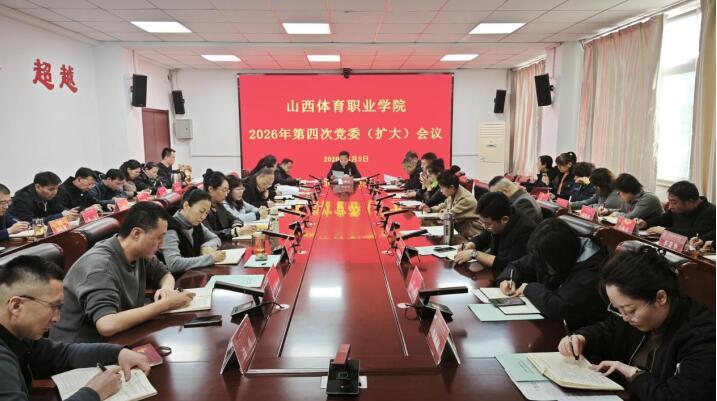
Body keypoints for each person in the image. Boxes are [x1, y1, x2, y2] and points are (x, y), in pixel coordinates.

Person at [557, 247, 715, 401]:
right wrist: (582, 338)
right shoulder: (635, 318)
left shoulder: (703, 337)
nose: (624, 317)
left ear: (660, 298)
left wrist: (632, 373)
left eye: (630, 310)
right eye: (618, 309)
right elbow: (607, 331)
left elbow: (676, 396)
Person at [0, 255, 153, 401]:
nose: (57, 318)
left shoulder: (20, 335)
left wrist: (117, 352)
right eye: (53, 306)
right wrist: (93, 393)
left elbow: (64, 354)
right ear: (16, 306)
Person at [50, 202, 195, 343]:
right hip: (79, 347)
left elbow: (165, 274)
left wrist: (166, 290)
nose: (162, 244)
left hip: (118, 337)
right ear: (136, 233)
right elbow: (107, 325)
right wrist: (166, 304)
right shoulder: (100, 266)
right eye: (159, 237)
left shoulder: (139, 252)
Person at [496, 218, 608, 329]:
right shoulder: (549, 250)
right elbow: (518, 266)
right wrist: (506, 279)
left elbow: (560, 308)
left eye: (547, 262)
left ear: (560, 257)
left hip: (576, 332)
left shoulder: (592, 271)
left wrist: (528, 288)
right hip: (546, 324)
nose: (544, 265)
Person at [454, 192, 537, 273]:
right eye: (482, 222)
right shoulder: (495, 218)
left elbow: (511, 263)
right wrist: (471, 244)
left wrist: (474, 254)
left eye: (487, 223)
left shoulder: (526, 229)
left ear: (504, 219)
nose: (484, 226)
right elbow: (484, 237)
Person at [159, 189, 225, 274]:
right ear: (186, 205)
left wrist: (206, 246)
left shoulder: (195, 223)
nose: (203, 217)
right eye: (201, 211)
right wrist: (210, 258)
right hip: (178, 279)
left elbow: (215, 238)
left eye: (206, 213)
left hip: (194, 274)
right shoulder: (169, 229)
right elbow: (173, 264)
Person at [636, 181, 715, 241]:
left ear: (690, 201)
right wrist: (646, 223)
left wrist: (666, 231)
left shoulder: (710, 212)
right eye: (669, 201)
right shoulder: (677, 209)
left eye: (674, 202)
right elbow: (663, 219)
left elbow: (696, 234)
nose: (670, 206)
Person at [421, 171, 482, 238]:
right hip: (458, 230)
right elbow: (444, 205)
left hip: (470, 236)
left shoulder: (465, 199)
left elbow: (449, 215)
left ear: (451, 187)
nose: (440, 191)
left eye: (442, 188)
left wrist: (443, 212)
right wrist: (430, 209)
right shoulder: (454, 191)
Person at [202, 170, 256, 240]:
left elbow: (235, 219)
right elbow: (209, 234)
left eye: (227, 191)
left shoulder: (219, 205)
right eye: (224, 190)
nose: (226, 194)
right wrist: (236, 232)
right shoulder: (202, 209)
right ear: (211, 189)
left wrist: (236, 227)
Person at [6, 172, 76, 223]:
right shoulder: (22, 199)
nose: (55, 192)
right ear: (37, 187)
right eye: (51, 189)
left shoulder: (51, 194)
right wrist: (60, 216)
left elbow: (58, 208)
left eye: (57, 188)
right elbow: (30, 222)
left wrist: (69, 212)